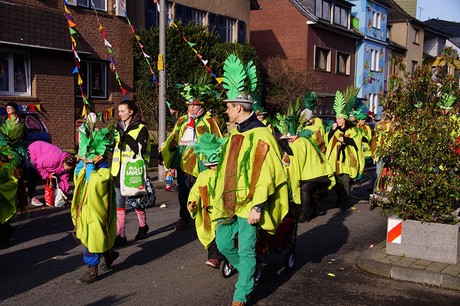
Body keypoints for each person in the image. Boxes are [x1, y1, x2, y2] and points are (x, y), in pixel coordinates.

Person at [213, 54, 289, 306]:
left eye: (228, 106)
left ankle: (241, 295)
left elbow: (268, 174)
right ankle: (251, 270)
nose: (226, 110)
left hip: (250, 205)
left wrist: (257, 206)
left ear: (238, 108)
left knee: (246, 249)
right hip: (229, 201)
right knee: (223, 243)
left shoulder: (262, 135)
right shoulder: (235, 134)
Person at [160, 81, 222, 230]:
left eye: (195, 105)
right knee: (183, 192)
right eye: (190, 105)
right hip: (184, 162)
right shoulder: (182, 121)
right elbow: (173, 138)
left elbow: (217, 139)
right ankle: (184, 218)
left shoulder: (208, 121)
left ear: (201, 106)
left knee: (202, 190)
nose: (192, 108)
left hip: (202, 163)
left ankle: (204, 217)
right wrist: (164, 152)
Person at [72, 113, 118, 284]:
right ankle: (110, 254)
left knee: (94, 236)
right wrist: (81, 166)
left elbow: (96, 185)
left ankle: (92, 269)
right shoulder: (85, 166)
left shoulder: (104, 170)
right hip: (86, 209)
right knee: (94, 235)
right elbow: (78, 179)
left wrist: (90, 168)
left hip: (97, 210)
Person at [110, 100, 151, 247]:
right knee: (119, 204)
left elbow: (138, 149)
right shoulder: (117, 128)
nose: (120, 114)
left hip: (133, 171)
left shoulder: (141, 128)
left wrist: (125, 135)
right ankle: (121, 235)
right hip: (117, 171)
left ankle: (143, 225)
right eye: (119, 111)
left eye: (122, 111)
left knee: (136, 202)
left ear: (131, 112)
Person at [187, 132, 226, 268]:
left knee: (220, 234)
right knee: (209, 234)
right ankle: (215, 255)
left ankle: (216, 258)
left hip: (222, 211)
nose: (214, 167)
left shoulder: (224, 174)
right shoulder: (203, 175)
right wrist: (192, 202)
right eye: (212, 164)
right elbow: (196, 191)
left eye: (216, 164)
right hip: (207, 212)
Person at [325, 90, 364, 211]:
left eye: (339, 118)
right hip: (335, 161)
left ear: (344, 119)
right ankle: (340, 199)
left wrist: (345, 140)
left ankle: (344, 202)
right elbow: (328, 141)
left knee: (345, 182)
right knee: (337, 183)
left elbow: (357, 142)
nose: (337, 120)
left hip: (346, 161)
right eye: (336, 118)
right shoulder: (335, 129)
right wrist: (332, 131)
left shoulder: (352, 130)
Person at [27, 141, 76, 206]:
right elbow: (38, 164)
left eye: (70, 169)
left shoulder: (66, 164)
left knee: (53, 177)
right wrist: (47, 175)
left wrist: (63, 195)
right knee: (33, 174)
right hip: (34, 151)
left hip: (45, 158)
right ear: (65, 163)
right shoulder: (53, 159)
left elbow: (64, 180)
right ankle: (32, 197)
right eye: (67, 167)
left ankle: (52, 196)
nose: (67, 169)